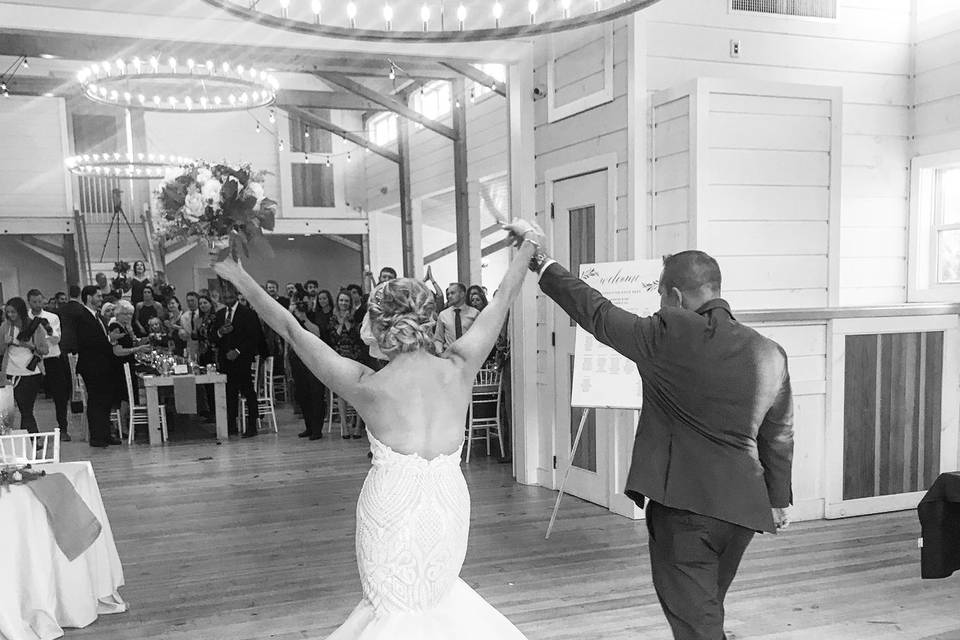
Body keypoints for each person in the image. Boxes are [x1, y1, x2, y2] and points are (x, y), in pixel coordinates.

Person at [211, 225, 538, 640]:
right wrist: (528, 244)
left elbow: (292, 330)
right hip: (449, 507)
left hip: (391, 511)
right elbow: (503, 298)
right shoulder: (461, 365)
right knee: (437, 604)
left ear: (380, 327)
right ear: (428, 320)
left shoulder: (366, 386)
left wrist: (238, 275)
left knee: (392, 613)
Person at [513, 217, 795, 640]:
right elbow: (779, 434)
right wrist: (778, 499)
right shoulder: (770, 352)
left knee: (696, 624)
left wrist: (540, 262)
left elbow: (597, 313)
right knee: (704, 608)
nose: (658, 302)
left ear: (676, 295)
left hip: (684, 509)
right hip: (741, 511)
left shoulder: (669, 332)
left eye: (660, 293)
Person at [209, 283, 263, 438]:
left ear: (236, 296)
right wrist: (220, 332)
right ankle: (230, 425)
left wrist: (238, 351)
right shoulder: (220, 315)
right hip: (225, 360)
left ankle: (252, 425)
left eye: (231, 297)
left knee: (248, 392)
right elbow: (213, 337)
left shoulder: (247, 313)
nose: (228, 300)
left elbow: (254, 338)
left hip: (243, 359)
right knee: (228, 393)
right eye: (225, 297)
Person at [76, 285, 121, 448]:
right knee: (96, 400)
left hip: (103, 364)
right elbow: (87, 341)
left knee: (106, 400)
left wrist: (110, 339)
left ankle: (106, 433)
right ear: (89, 297)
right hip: (92, 365)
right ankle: (97, 436)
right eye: (98, 296)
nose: (101, 299)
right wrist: (109, 340)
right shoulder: (82, 316)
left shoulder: (97, 316)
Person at [27, 289, 72, 441]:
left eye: (40, 301)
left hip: (53, 358)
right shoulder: (25, 318)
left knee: (60, 395)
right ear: (29, 302)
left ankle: (63, 428)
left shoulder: (52, 317)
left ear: (43, 301)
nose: (37, 305)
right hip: (32, 359)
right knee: (30, 396)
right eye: (34, 302)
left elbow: (56, 338)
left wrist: (40, 337)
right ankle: (32, 432)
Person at [0, 297, 49, 433]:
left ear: (21, 311)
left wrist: (31, 345)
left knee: (26, 407)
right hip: (10, 372)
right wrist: (5, 342)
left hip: (31, 372)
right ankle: (31, 438)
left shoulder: (34, 326)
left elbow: (44, 349)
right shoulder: (5, 327)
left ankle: (31, 438)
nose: (10, 315)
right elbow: (0, 350)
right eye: (8, 312)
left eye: (13, 312)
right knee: (14, 408)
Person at [329, 289, 364, 438]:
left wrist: (348, 324)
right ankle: (344, 426)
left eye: (346, 301)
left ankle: (357, 427)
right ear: (338, 302)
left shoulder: (355, 317)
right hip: (339, 358)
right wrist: (340, 323)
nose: (343, 303)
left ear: (350, 303)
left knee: (357, 394)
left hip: (354, 358)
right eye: (341, 300)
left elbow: (357, 337)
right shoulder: (332, 318)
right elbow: (332, 338)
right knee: (341, 393)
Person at [289, 300, 327, 440]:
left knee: (316, 395)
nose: (301, 308)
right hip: (298, 360)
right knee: (302, 394)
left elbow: (317, 333)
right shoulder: (293, 318)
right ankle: (309, 427)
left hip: (314, 360)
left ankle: (317, 429)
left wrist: (304, 319)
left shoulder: (316, 316)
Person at [434, 282, 478, 353]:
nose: (449, 296)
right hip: (450, 356)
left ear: (462, 294)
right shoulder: (443, 315)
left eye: (452, 293)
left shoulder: (474, 313)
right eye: (448, 294)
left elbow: (479, 337)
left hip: (470, 355)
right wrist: (440, 353)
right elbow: (438, 339)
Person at [57, 284, 85, 355]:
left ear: (69, 294)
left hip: (64, 341)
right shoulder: (82, 309)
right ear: (79, 294)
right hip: (78, 342)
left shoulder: (61, 309)